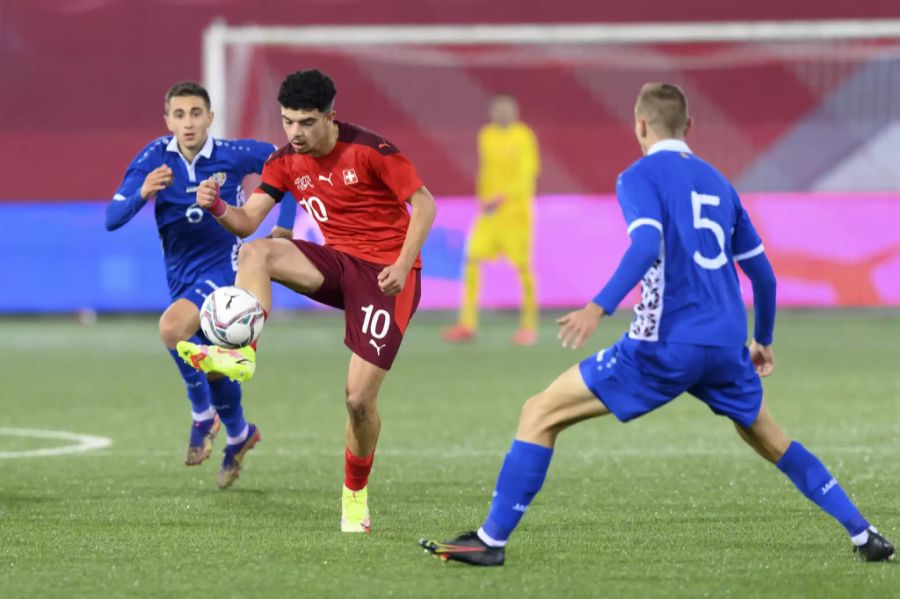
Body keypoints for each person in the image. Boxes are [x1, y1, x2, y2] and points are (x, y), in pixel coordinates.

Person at [420, 82, 895, 565]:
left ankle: (491, 541)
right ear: (689, 127)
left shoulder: (639, 177)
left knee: (539, 412)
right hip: (727, 345)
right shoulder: (720, 184)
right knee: (775, 442)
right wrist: (763, 341)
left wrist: (598, 307)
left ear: (640, 126)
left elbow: (646, 247)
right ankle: (864, 533)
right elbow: (765, 279)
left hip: (664, 344)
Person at [177, 69, 437, 533]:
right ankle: (241, 354)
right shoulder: (283, 161)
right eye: (288, 121)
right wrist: (217, 206)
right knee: (258, 251)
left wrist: (402, 264)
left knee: (358, 400)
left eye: (306, 122)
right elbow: (247, 222)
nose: (295, 132)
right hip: (336, 265)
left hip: (385, 278)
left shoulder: (371, 151)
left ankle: (354, 497)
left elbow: (425, 204)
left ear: (330, 117)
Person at [106, 81, 292, 488]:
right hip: (181, 276)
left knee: (172, 327)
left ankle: (201, 415)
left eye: (195, 113)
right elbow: (112, 217)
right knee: (210, 368)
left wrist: (285, 225)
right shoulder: (155, 158)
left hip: (224, 269)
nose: (187, 123)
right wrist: (141, 192)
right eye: (179, 115)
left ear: (210, 117)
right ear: (167, 120)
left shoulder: (232, 154)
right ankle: (241, 434)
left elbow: (289, 165)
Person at [442, 94, 541, 346]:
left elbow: (527, 175)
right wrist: (483, 199)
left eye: (507, 110)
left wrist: (501, 197)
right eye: (498, 110)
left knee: (522, 268)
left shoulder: (524, 136)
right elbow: (485, 172)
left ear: (515, 112)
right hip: (489, 214)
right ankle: (467, 323)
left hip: (515, 214)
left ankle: (528, 327)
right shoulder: (486, 135)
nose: (503, 114)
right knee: (472, 259)